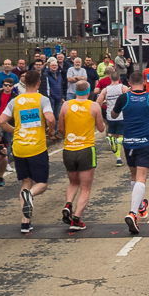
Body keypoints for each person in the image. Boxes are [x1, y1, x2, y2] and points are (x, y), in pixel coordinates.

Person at [0, 69, 55, 235]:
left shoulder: (16, 101)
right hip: (36, 147)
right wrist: (50, 131)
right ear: (38, 84)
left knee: (25, 183)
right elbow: (50, 118)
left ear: (24, 83)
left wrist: (14, 130)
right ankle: (30, 195)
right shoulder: (42, 99)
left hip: (19, 148)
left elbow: (0, 121)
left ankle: (25, 222)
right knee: (41, 184)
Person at [109, 71, 149, 234]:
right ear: (145, 82)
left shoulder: (124, 98)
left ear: (129, 82)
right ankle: (133, 213)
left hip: (128, 143)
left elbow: (113, 115)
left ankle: (140, 206)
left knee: (134, 177)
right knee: (141, 178)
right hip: (144, 142)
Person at [60, 80, 106, 232]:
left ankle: (68, 204)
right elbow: (100, 129)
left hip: (69, 149)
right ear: (88, 92)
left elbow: (61, 129)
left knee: (73, 183)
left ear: (75, 91)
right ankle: (76, 219)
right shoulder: (94, 106)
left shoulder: (66, 105)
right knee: (85, 188)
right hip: (86, 149)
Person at [99, 74, 128, 166]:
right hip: (120, 115)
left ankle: (118, 157)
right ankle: (119, 159)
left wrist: (104, 102)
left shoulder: (105, 89)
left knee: (113, 134)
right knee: (121, 136)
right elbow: (129, 96)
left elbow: (98, 102)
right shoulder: (123, 87)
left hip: (110, 115)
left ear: (110, 79)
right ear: (119, 78)